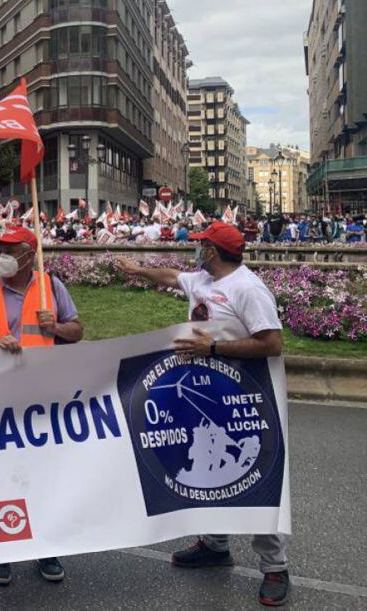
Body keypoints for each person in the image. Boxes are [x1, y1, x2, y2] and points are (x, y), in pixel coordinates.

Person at [114, 221, 290, 607]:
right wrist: (139, 270)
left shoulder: (248, 288)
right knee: (207, 470)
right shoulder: (203, 281)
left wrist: (214, 350)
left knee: (253, 478)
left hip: (240, 398)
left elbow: (273, 343)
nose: (196, 251)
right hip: (200, 392)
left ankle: (274, 566)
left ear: (213, 251)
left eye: (201, 246)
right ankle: (215, 545)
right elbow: (173, 276)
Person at [0, 227, 84, 587]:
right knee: (4, 476)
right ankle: (5, 551)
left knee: (43, 475)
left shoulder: (51, 287)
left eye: (9, 250)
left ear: (29, 255)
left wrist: (57, 326)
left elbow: (78, 331)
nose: (2, 256)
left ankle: (47, 548)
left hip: (42, 399)